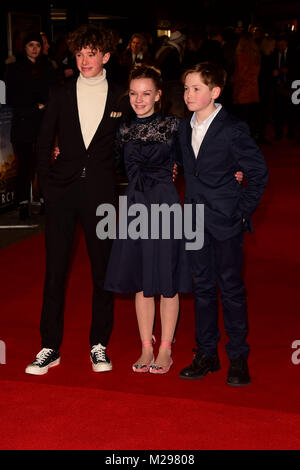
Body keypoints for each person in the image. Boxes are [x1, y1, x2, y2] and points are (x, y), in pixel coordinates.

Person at [104, 65, 243, 375]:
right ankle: (145, 346)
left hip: (167, 205)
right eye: (133, 94)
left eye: (146, 93)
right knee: (142, 281)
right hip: (136, 207)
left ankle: (165, 347)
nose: (139, 100)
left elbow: (201, 155)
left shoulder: (174, 126)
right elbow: (106, 163)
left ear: (158, 95)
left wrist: (234, 170)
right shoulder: (123, 129)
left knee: (167, 279)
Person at [25, 24, 130, 376]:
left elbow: (131, 145)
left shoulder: (120, 95)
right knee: (54, 272)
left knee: (103, 272)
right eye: (79, 54)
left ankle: (98, 345)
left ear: (106, 57)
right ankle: (49, 346)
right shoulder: (60, 92)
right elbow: (43, 142)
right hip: (62, 192)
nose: (84, 60)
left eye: (91, 54)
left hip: (101, 195)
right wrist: (47, 186)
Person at [177, 62, 268, 386]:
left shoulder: (232, 128)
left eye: (196, 88)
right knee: (201, 288)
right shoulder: (183, 127)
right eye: (186, 88)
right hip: (195, 220)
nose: (189, 94)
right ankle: (206, 354)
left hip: (226, 221)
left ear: (214, 92)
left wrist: (242, 211)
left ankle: (238, 358)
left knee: (230, 289)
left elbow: (258, 173)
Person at [5, 31, 57, 219]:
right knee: (24, 165)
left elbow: (53, 93)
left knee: (43, 164)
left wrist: (43, 105)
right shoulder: (14, 68)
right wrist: (36, 105)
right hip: (23, 123)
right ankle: (22, 202)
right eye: (30, 45)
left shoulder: (49, 67)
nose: (35, 49)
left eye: (37, 45)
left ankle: (44, 199)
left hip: (44, 123)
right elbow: (12, 97)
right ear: (24, 47)